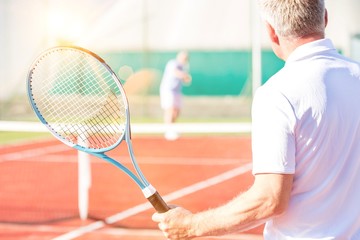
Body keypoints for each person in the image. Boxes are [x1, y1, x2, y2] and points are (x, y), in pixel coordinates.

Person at [152, 0, 360, 239]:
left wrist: (192, 225)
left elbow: (270, 199)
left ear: (271, 30)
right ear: (324, 18)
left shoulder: (277, 94)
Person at [160, 51, 191, 140]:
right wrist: (184, 75)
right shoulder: (173, 63)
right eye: (183, 57)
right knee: (170, 109)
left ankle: (172, 129)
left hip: (177, 91)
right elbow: (175, 72)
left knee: (177, 111)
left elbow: (183, 79)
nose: (184, 59)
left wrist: (185, 78)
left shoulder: (183, 67)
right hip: (168, 90)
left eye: (186, 58)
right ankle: (168, 131)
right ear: (179, 57)